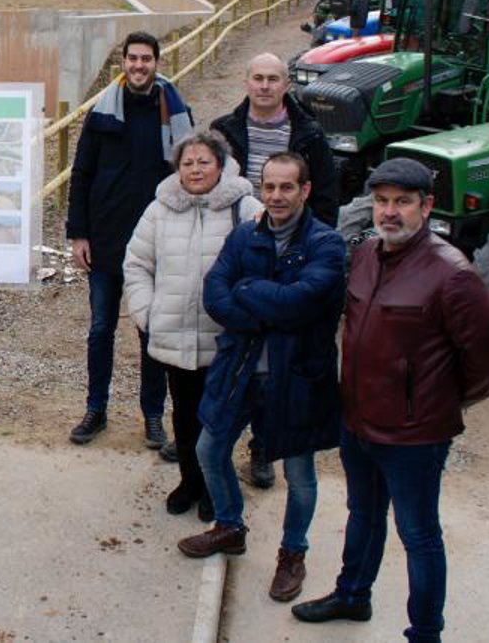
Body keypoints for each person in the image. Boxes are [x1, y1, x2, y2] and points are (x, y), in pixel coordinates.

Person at [293, 158, 489, 642]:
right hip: (359, 421)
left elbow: (488, 363)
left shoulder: (452, 274)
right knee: (363, 514)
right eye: (382, 201)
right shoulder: (367, 253)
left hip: (414, 437)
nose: (389, 212)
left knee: (419, 534)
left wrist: (434, 403)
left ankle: (425, 633)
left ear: (426, 207)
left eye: (402, 202)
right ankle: (353, 595)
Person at [178, 153, 346, 606]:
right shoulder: (244, 236)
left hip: (296, 379)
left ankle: (293, 553)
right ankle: (230, 526)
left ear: (305, 190)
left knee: (299, 474)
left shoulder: (327, 245)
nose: (276, 196)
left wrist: (247, 289)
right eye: (269, 187)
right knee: (208, 449)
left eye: (286, 187)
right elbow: (215, 293)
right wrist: (266, 314)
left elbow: (301, 302)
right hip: (241, 369)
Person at [209, 51, 339, 488]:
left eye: (273, 79)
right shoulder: (225, 130)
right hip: (242, 244)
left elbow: (326, 200)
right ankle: (215, 433)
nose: (264, 86)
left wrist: (308, 248)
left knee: (278, 362)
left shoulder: (309, 135)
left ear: (286, 84)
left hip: (291, 250)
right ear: (246, 82)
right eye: (258, 78)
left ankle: (263, 447)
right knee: (236, 353)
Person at [122, 131, 261, 523]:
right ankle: (189, 481)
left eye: (204, 161)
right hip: (174, 336)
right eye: (187, 162)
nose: (195, 169)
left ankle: (216, 488)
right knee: (183, 416)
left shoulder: (246, 207)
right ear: (177, 168)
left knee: (216, 421)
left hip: (224, 341)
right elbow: (137, 263)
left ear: (221, 165)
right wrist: (147, 313)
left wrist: (245, 315)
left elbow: (264, 264)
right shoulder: (160, 209)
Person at [66, 30, 195, 449]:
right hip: (105, 239)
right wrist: (78, 234)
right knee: (101, 328)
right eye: (132, 58)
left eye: (146, 59)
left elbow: (190, 178)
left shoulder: (176, 113)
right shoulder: (102, 114)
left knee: (151, 332)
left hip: (155, 245)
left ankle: (153, 415)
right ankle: (96, 409)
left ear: (157, 62)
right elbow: (81, 174)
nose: (139, 65)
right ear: (122, 62)